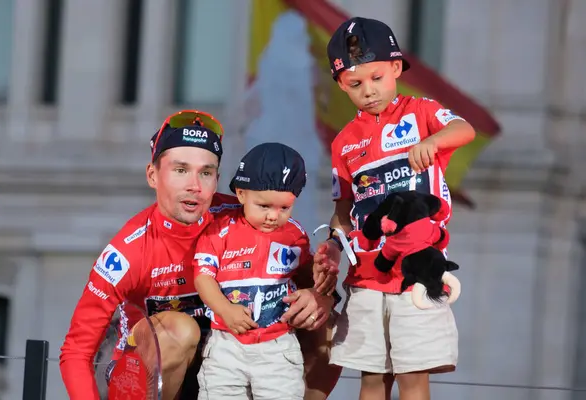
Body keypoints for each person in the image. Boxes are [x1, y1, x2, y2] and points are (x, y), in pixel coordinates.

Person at [59, 111, 336, 400]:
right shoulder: (127, 252)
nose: (195, 185)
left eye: (205, 173)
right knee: (180, 329)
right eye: (180, 170)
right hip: (144, 379)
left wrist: (321, 298)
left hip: (226, 365)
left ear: (218, 179)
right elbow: (76, 351)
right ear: (153, 175)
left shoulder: (251, 216)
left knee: (323, 323)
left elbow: (315, 286)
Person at [312, 17, 477, 400]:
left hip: (417, 274)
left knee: (413, 375)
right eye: (355, 84)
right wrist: (335, 247)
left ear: (397, 68)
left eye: (377, 78)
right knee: (372, 377)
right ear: (340, 84)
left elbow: (464, 129)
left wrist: (433, 142)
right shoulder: (344, 143)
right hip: (366, 275)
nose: (368, 91)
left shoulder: (421, 112)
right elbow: (344, 207)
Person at [194, 142, 319, 399]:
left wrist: (321, 284)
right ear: (241, 194)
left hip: (278, 345)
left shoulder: (296, 235)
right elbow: (203, 278)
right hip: (226, 344)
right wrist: (226, 310)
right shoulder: (219, 230)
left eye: (284, 208)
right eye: (264, 206)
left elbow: (309, 280)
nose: (274, 216)